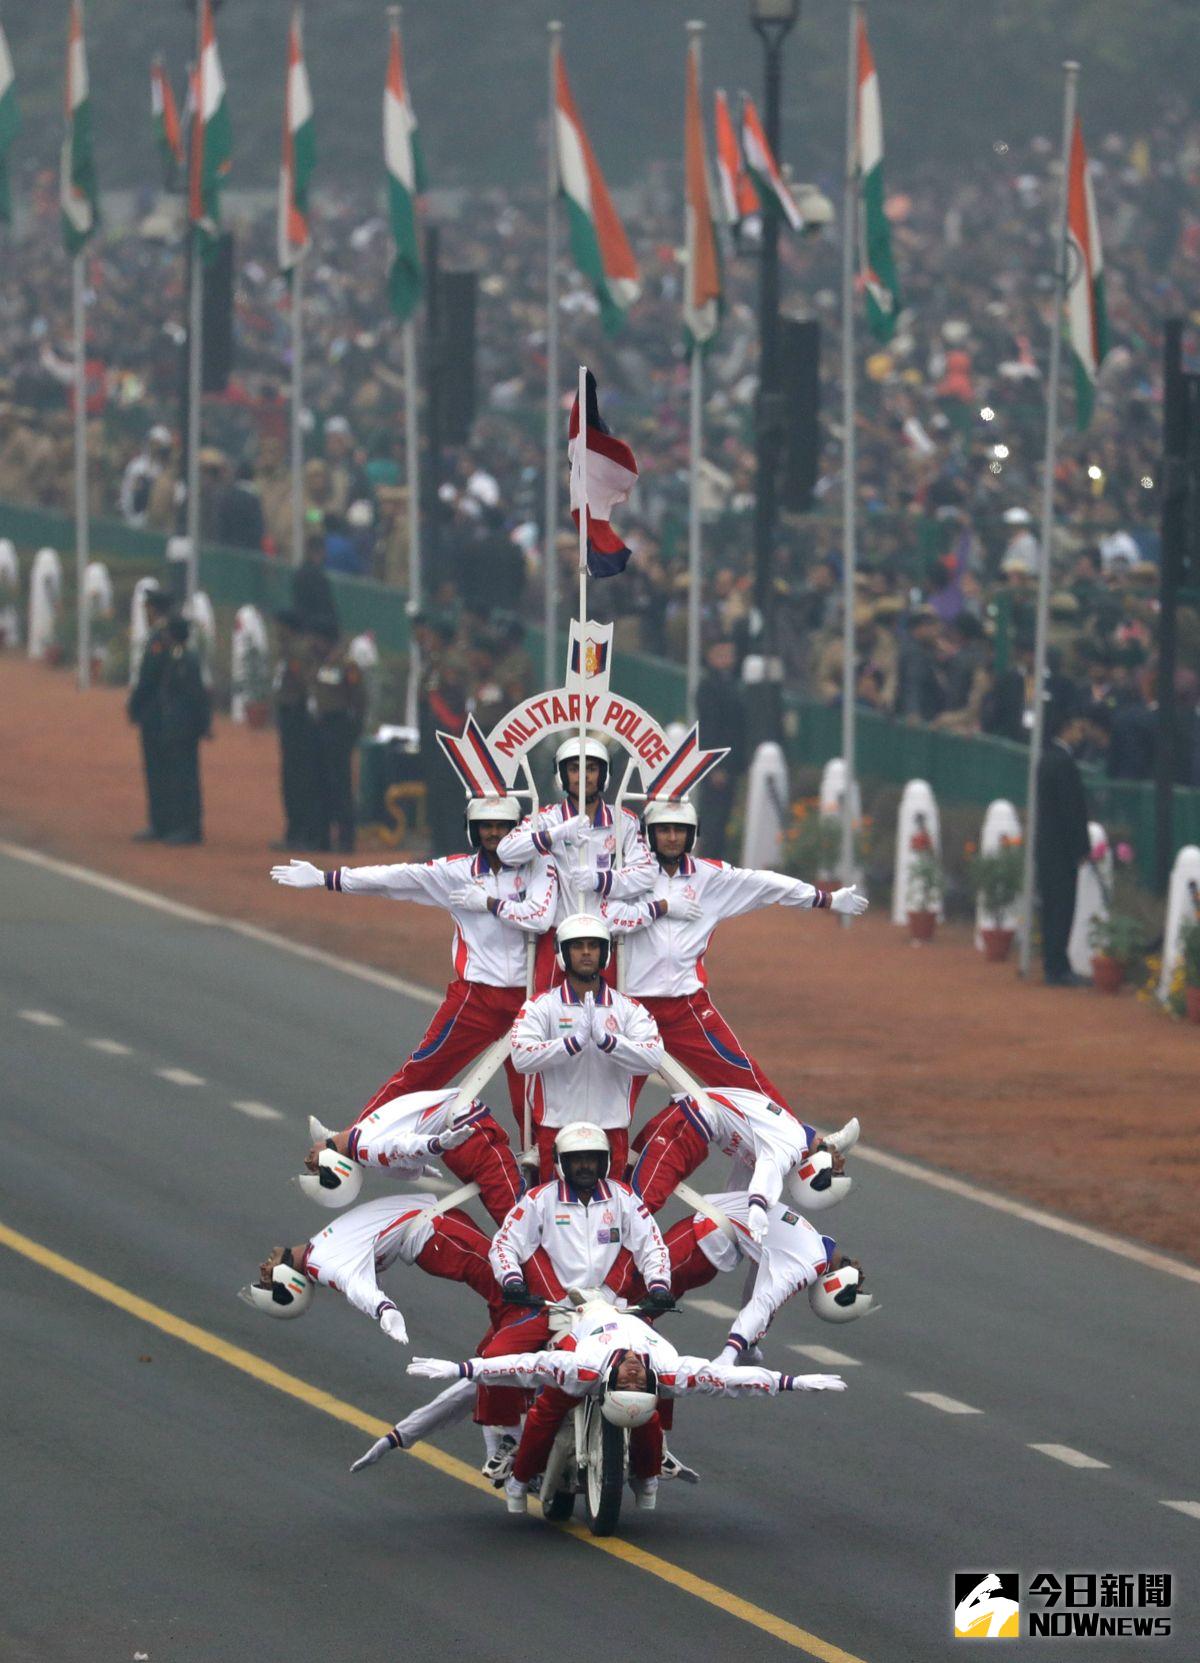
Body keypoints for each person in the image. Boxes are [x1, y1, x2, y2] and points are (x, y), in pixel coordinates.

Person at [396, 1299, 846, 1514]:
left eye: (629, 1376)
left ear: (613, 1382)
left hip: (581, 1334)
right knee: (634, 1417)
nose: (633, 1368)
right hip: (596, 1312)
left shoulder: (582, 1367)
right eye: (637, 1376)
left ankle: (518, 1483)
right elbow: (735, 1381)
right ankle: (648, 1479)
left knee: (546, 1408)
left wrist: (460, 1368)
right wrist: (794, 1381)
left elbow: (520, 1366)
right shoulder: (669, 1370)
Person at [271, 795, 556, 1130]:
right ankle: (349, 1144)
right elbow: (395, 878)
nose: (494, 834)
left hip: (531, 1001)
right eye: (486, 827)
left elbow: (545, 915)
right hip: (475, 999)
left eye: (502, 827)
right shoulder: (455, 872)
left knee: (539, 1101)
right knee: (419, 1074)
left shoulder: (540, 867)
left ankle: (546, 1179)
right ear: (472, 831)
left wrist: (490, 902)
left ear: (517, 831)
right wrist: (326, 879)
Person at [602, 799, 867, 1107]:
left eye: (680, 830)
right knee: (611, 1103)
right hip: (630, 1008)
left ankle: (805, 1147)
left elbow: (765, 884)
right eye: (663, 830)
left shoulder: (710, 877)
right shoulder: (625, 875)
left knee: (745, 1079)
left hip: (686, 1008)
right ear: (649, 833)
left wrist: (825, 899)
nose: (672, 837)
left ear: (693, 835)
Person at [466, 1122, 673, 1460]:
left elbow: (653, 1247)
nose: (585, 1166)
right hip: (556, 1310)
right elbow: (504, 1245)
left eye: (593, 1158)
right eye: (576, 1159)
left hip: (613, 1312)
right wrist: (512, 1281)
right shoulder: (538, 1201)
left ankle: (656, 1448)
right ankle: (507, 1437)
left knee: (662, 1364)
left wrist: (659, 1285)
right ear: (560, 1161)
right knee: (495, 1358)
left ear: (605, 1161)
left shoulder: (623, 1198)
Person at [510, 915, 665, 1180]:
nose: (585, 953)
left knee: (608, 1213)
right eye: (577, 946)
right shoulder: (540, 1006)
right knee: (554, 1213)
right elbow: (521, 1058)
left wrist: (609, 1042)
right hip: (555, 1130)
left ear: (604, 953)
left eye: (593, 946)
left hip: (611, 1133)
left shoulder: (628, 1008)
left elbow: (652, 1057)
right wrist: (571, 1044)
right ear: (562, 953)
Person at [497, 733, 656, 985]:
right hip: (558, 935)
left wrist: (600, 880)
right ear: (562, 775)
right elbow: (506, 851)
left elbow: (647, 873)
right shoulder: (547, 818)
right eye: (574, 769)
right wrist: (556, 834)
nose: (583, 777)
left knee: (606, 1018)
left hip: (602, 936)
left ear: (604, 774)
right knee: (547, 1016)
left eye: (591, 769)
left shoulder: (624, 821)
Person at [651, 1190, 875, 1364]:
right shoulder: (811, 1250)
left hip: (698, 1243)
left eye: (859, 1285)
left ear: (837, 1289)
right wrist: (749, 1346)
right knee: (639, 1309)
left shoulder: (806, 1264)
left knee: (628, 1297)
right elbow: (758, 1291)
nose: (860, 1269)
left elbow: (764, 1301)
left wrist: (732, 1352)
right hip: (705, 1244)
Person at [631, 1088, 858, 1228]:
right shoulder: (790, 1145)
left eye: (837, 1171)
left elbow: (740, 1188)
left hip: (688, 1126)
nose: (842, 1162)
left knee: (626, 1191)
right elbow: (770, 1168)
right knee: (638, 1208)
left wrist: (735, 1214)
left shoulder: (786, 1141)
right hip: (688, 1125)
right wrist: (758, 1205)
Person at [303, 1086, 524, 1227]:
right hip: (462, 1129)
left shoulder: (357, 1137)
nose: (307, 1161)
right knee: (517, 1221)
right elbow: (401, 1147)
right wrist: (436, 1145)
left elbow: (397, 1161)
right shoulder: (366, 1149)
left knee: (515, 1218)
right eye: (314, 1169)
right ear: (334, 1166)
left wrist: (425, 1162)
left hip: (459, 1126)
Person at [1035, 706, 1094, 987]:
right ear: (1064, 729)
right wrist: (1081, 848)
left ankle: (1054, 963)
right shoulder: (1063, 763)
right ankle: (1058, 967)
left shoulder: (1048, 759)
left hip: (1049, 847)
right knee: (1061, 907)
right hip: (1061, 850)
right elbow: (1072, 811)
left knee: (1052, 907)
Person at [308, 621, 367, 853]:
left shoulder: (347, 666)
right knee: (319, 781)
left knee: (340, 783)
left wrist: (351, 731)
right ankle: (321, 836)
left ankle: (345, 838)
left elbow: (359, 700)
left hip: (339, 726)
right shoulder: (317, 663)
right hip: (320, 725)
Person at [157, 616, 212, 844]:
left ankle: (190, 827)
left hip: (184, 727)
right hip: (177, 726)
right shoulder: (177, 657)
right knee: (179, 776)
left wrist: (202, 725)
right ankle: (182, 824)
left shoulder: (186, 660)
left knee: (185, 778)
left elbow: (195, 696)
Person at [126, 586, 175, 842]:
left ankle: (161, 823)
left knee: (158, 770)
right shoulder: (164, 636)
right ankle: (162, 822)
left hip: (156, 713)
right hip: (160, 712)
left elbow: (149, 679)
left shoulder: (159, 639)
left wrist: (135, 705)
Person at [271, 610, 321, 851]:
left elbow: (303, 683)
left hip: (298, 719)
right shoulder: (290, 649)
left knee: (298, 777)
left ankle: (301, 831)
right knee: (292, 777)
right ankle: (296, 830)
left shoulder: (297, 651)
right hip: (291, 717)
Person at [695, 639, 747, 861]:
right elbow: (710, 728)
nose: (728, 660)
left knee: (723, 817)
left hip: (732, 762)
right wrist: (715, 765)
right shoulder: (708, 687)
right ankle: (708, 860)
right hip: (718, 763)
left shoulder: (733, 684)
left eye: (730, 655)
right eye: (722, 655)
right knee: (713, 818)